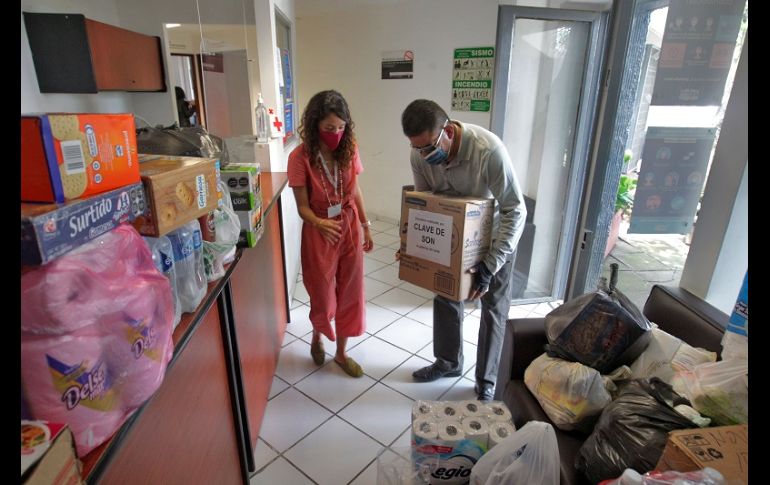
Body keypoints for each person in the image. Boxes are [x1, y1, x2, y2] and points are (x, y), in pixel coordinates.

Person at [400, 99, 527, 401]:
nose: (424, 155)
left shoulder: (488, 151)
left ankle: (487, 380)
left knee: (493, 308)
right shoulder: (419, 154)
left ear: (448, 131)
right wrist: (412, 245)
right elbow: (426, 203)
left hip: (495, 237)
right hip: (454, 233)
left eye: (429, 147)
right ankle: (448, 361)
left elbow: (516, 210)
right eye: (417, 148)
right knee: (445, 295)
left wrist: (490, 265)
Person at [287, 90, 374, 378]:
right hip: (319, 229)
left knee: (351, 290)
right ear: (315, 125)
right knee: (322, 294)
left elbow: (355, 189)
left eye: (341, 127)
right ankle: (317, 336)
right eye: (329, 128)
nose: (336, 134)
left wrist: (365, 224)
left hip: (348, 224)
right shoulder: (299, 158)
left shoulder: (349, 147)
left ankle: (341, 353)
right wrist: (319, 223)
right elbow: (302, 207)